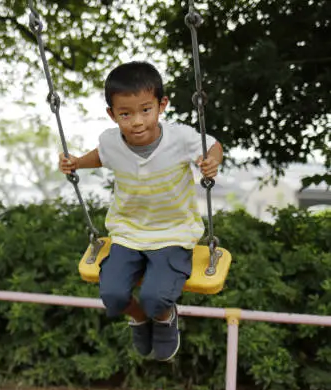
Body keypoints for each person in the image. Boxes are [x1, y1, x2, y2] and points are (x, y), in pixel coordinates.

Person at [59, 61, 223, 361]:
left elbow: (213, 145)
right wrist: (77, 162)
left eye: (145, 110)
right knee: (112, 296)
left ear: (161, 105)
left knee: (154, 297)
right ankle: (139, 317)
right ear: (112, 114)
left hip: (173, 233)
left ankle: (163, 317)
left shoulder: (181, 138)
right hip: (127, 233)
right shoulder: (110, 140)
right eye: (125, 114)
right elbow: (102, 156)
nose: (136, 121)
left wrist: (212, 161)